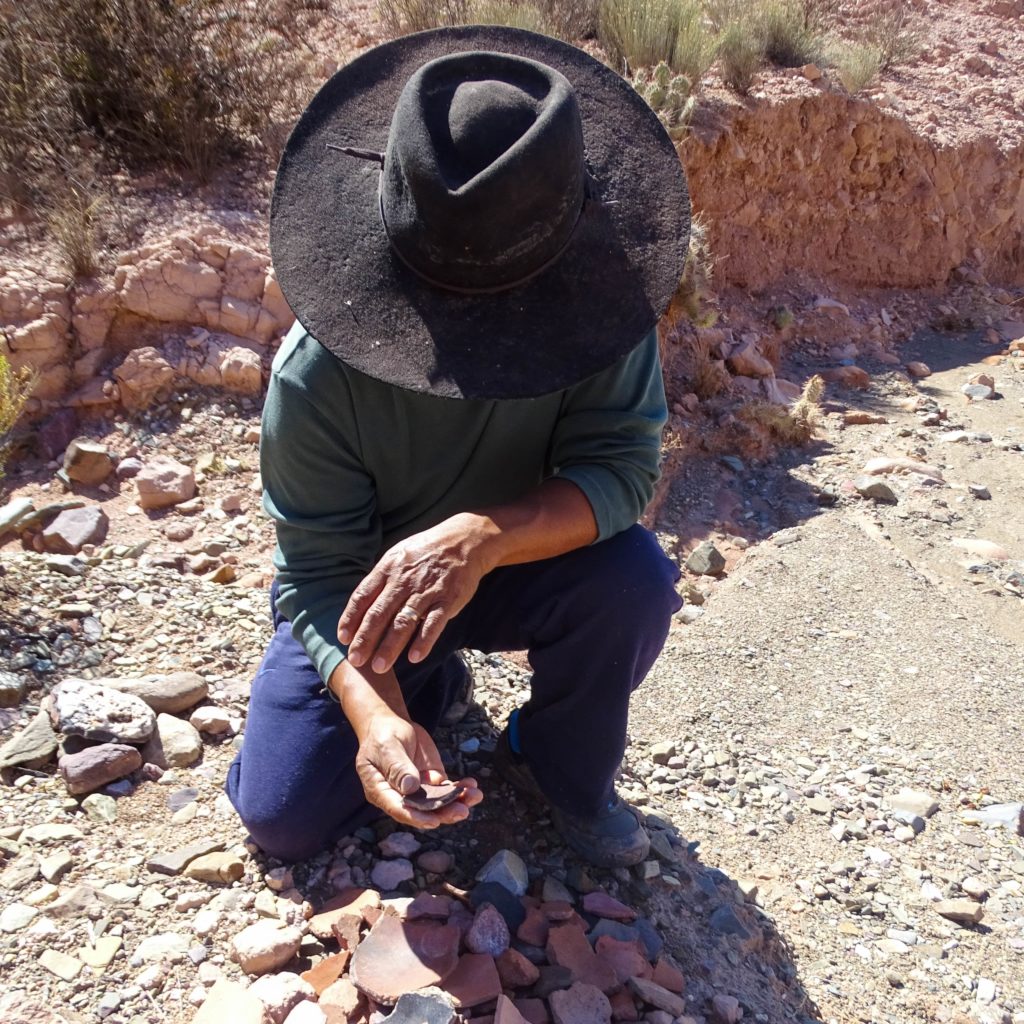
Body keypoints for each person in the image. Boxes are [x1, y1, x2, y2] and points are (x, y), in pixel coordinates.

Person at [225, 25, 691, 869]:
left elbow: (621, 468)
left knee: (633, 581)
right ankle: (427, 684)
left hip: (519, 565)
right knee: (282, 819)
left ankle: (558, 767)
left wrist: (483, 537)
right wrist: (377, 716)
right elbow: (318, 567)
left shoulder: (601, 311)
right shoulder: (316, 371)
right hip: (370, 598)